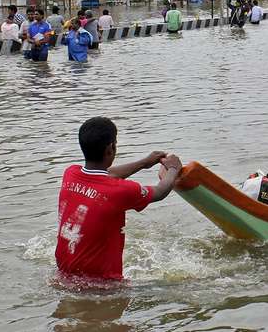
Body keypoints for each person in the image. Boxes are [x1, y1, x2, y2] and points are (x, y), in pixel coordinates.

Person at [55, 117, 182, 280]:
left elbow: (106, 175)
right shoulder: (121, 191)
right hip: (103, 286)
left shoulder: (70, 174)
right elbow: (160, 192)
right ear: (111, 148)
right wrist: (173, 168)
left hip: (64, 275)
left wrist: (144, 163)